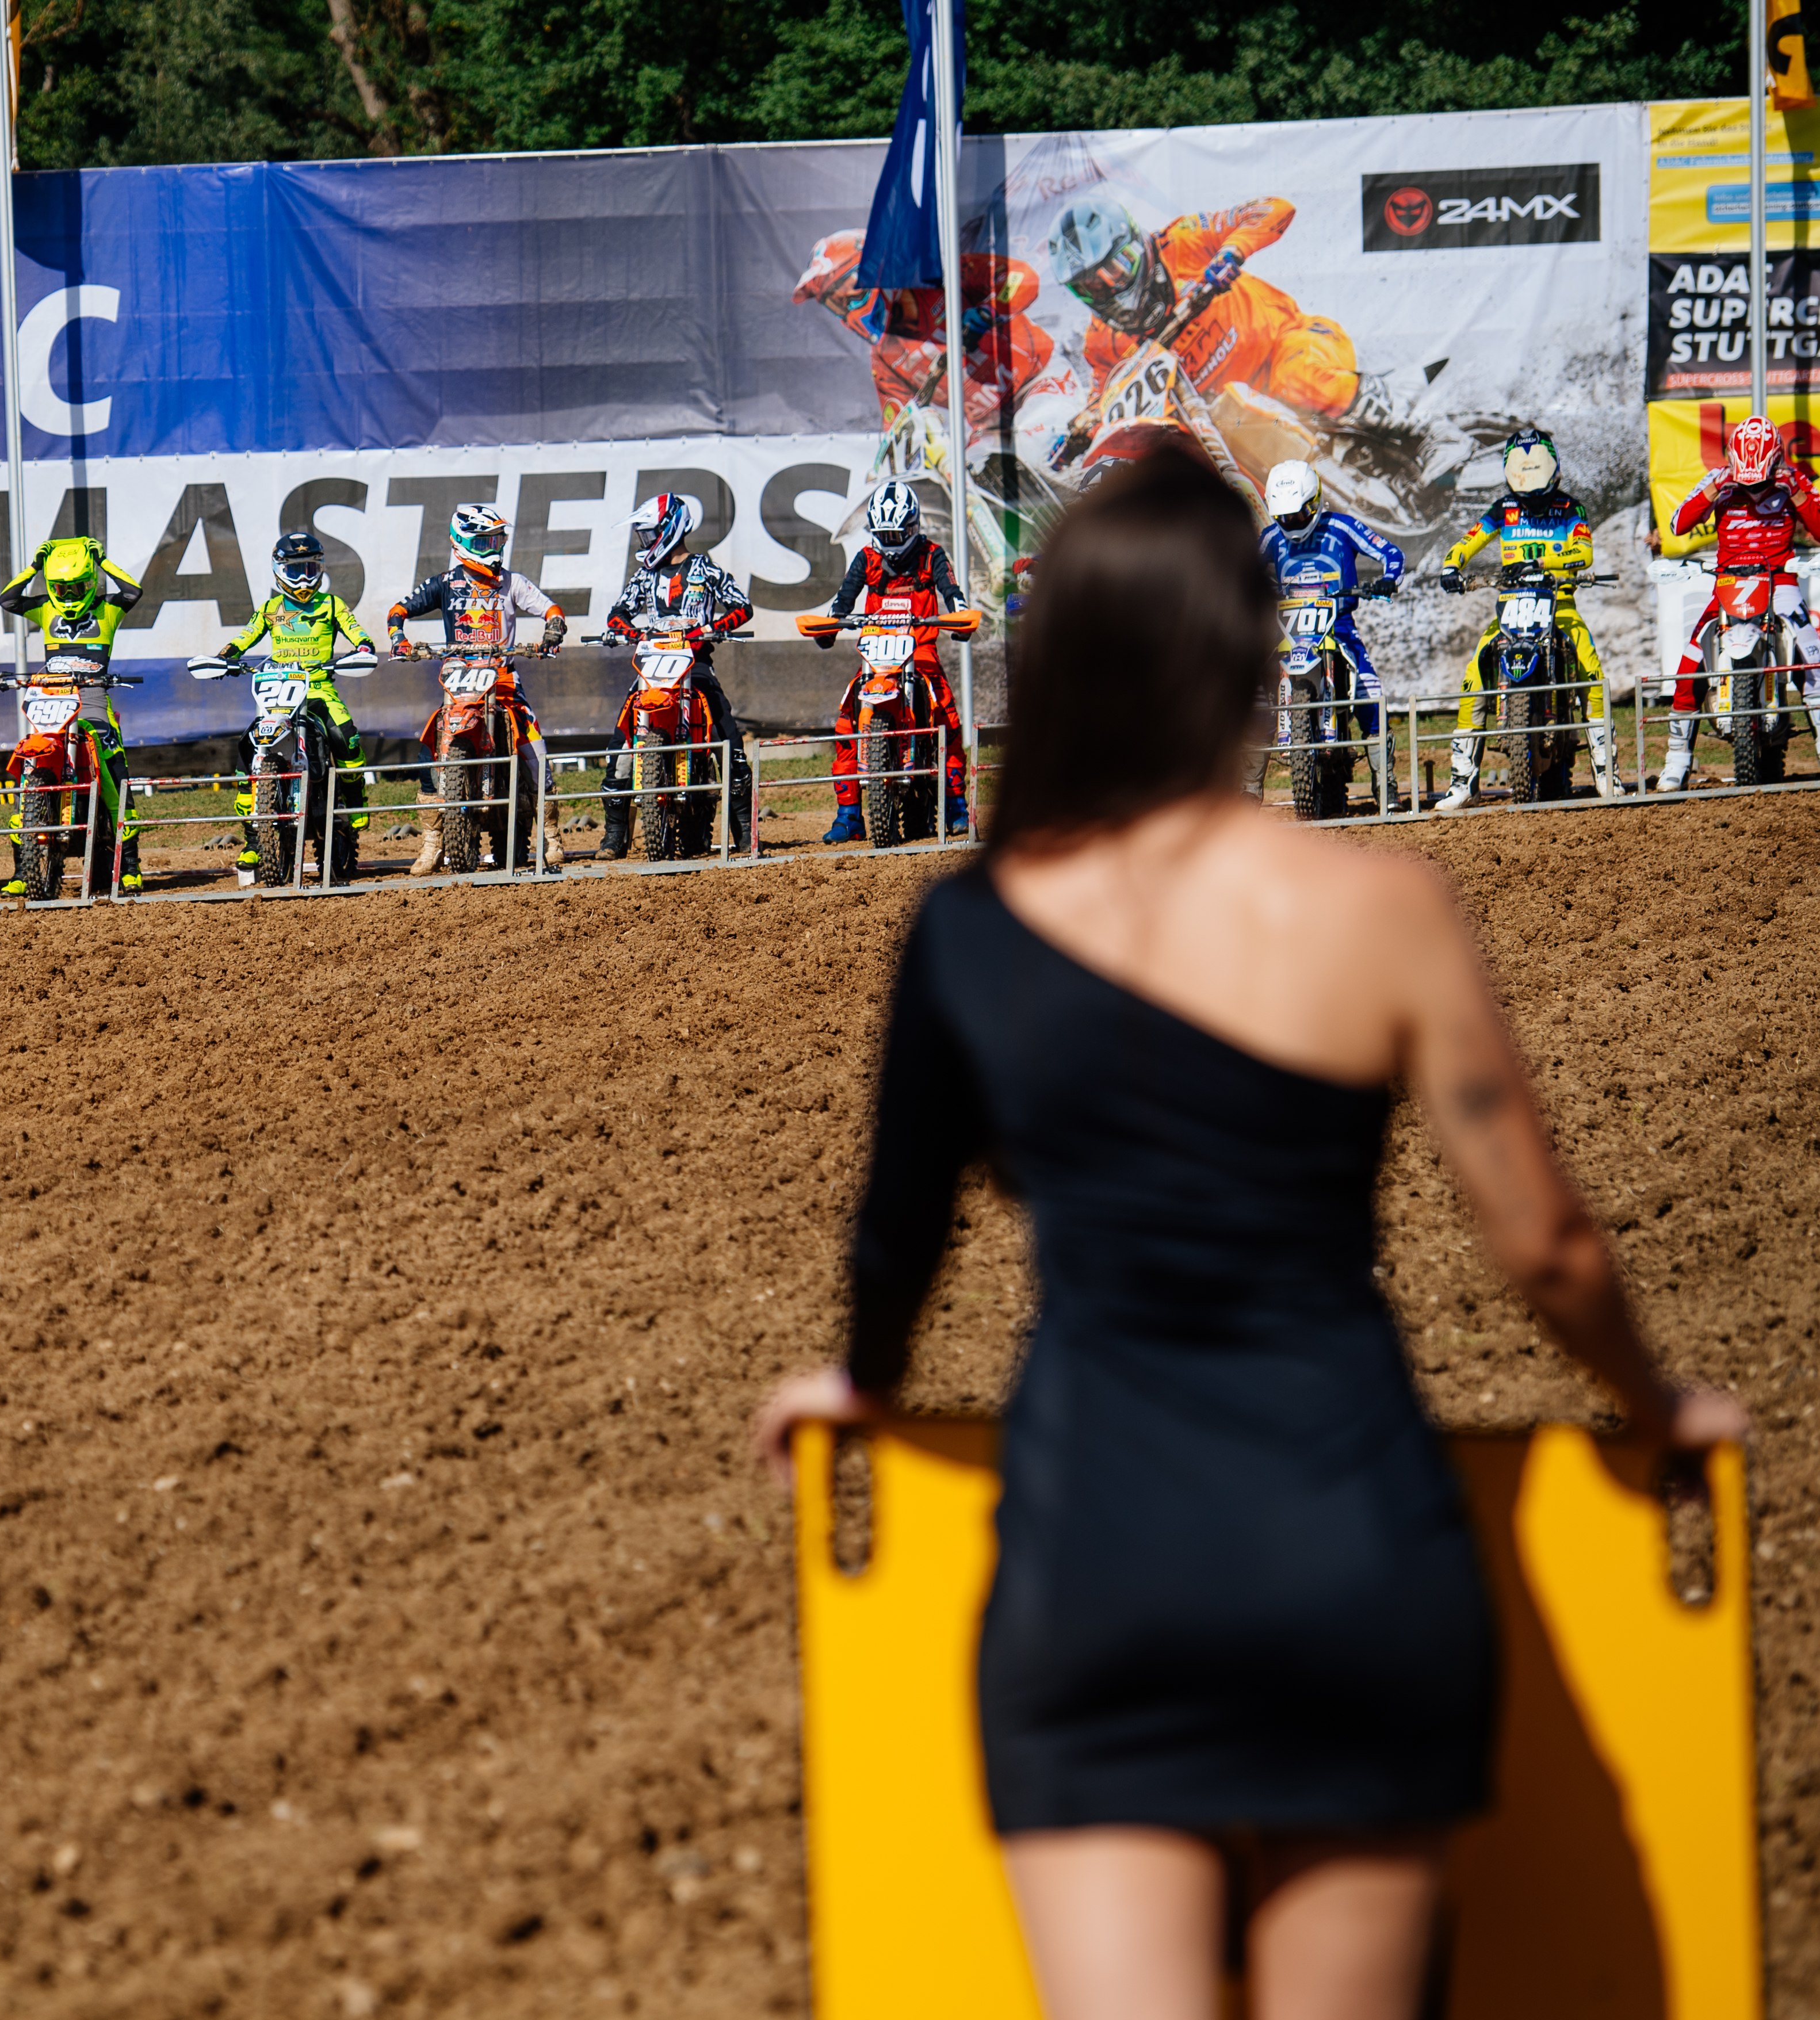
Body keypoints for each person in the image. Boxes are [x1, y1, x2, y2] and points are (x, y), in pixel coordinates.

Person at [750, 445, 1746, 2020]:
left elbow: (897, 1239)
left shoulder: (970, 927)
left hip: (1094, 1562)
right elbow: (1544, 1244)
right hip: (1350, 1550)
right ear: (1243, 653)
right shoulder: (1382, 909)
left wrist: (859, 1384)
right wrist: (1655, 1403)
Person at [1046, 197, 1359, 457]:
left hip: (1289, 344)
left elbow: (1276, 208)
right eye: (1091, 285)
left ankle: (1388, 413)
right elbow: (1106, 397)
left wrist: (1231, 253)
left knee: (1299, 378)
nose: (1109, 286)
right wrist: (1084, 427)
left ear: (1136, 246)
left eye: (1115, 269)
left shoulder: (1183, 239)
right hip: (1228, 417)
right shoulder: (1101, 341)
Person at [1436, 429, 1624, 806]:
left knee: (1590, 667)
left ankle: (1607, 773)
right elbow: (1470, 540)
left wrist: (1539, 563)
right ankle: (1463, 783)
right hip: (1512, 605)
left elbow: (1583, 553)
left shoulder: (1571, 508)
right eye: (1527, 496)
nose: (1534, 503)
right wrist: (1451, 565)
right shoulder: (1503, 509)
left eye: (1540, 494)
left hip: (1560, 604)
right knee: (1476, 671)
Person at [384, 502, 566, 875]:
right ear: (461, 543)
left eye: (498, 541)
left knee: (535, 747)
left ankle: (551, 836)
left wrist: (553, 629)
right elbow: (398, 611)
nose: (494, 550)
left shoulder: (512, 582)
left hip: (503, 679)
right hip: (459, 680)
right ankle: (433, 842)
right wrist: (398, 639)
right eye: (485, 542)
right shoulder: (445, 583)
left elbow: (552, 609)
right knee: (430, 747)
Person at [1658, 412, 1820, 791]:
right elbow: (1678, 524)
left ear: (1776, 462)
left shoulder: (1796, 480)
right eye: (1746, 481)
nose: (1754, 489)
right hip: (1728, 584)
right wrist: (1715, 488)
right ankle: (1677, 761)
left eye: (1761, 481)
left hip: (1779, 580)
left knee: (1812, 656)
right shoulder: (1718, 479)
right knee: (1690, 663)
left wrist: (1797, 494)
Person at [205, 530, 377, 883]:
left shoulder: (332, 605)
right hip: (278, 691)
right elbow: (244, 638)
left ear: (321, 569)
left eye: (310, 569)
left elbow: (358, 633)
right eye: (296, 570)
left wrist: (363, 648)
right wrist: (224, 658)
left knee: (345, 735)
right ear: (279, 570)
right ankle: (254, 838)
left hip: (318, 689)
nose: (303, 578)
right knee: (249, 745)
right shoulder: (270, 610)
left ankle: (354, 800)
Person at [809, 481, 970, 842]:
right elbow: (843, 600)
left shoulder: (932, 554)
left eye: (896, 534)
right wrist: (831, 624)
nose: (890, 541)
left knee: (947, 714)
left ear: (913, 527)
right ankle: (849, 815)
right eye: (884, 534)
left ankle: (956, 805)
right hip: (876, 652)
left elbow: (952, 592)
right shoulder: (866, 558)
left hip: (921, 651)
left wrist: (960, 614)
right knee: (847, 721)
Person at [602, 492, 755, 856]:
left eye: (650, 534)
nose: (646, 542)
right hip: (652, 666)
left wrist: (710, 629)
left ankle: (745, 833)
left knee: (729, 739)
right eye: (643, 536)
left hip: (695, 665)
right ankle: (614, 837)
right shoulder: (646, 575)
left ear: (671, 529)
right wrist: (630, 632)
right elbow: (617, 614)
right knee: (621, 744)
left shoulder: (705, 568)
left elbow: (742, 607)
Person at [0, 534, 151, 894]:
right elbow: (9, 599)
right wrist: (35, 566)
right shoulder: (45, 609)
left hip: (93, 698)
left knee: (114, 771)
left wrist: (103, 561)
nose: (68, 596)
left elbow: (133, 592)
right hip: (52, 696)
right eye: (60, 589)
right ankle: (23, 870)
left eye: (77, 587)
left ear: (91, 582)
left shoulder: (108, 608)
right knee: (33, 766)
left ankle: (130, 867)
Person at [790, 231, 1060, 431]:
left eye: (848, 293)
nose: (847, 309)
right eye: (835, 303)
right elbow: (899, 428)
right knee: (973, 480)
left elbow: (1020, 276)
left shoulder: (939, 277)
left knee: (1038, 442)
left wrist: (989, 311)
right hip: (989, 427)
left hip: (1041, 380)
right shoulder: (884, 358)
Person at [1257, 460, 1403, 798]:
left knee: (1371, 694)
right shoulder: (1271, 537)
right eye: (1284, 517)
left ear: (1314, 503)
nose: (1291, 523)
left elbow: (1392, 553)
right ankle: (1248, 791)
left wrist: (1387, 580)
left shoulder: (1341, 527)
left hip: (1339, 627)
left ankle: (1386, 786)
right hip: (1287, 629)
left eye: (1298, 515)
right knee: (1254, 698)